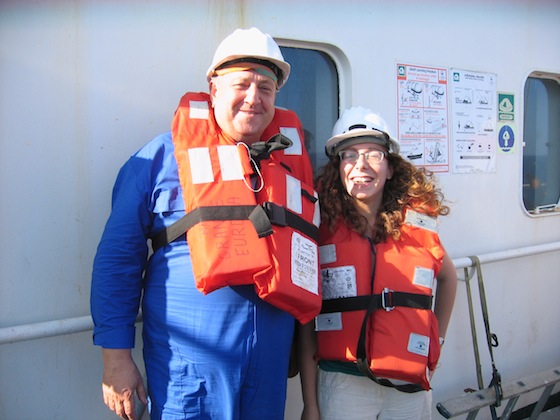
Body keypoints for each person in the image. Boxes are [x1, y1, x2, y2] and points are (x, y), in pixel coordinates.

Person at [91, 27, 320, 420]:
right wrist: (116, 359)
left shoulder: (289, 168)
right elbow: (117, 261)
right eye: (241, 84)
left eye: (265, 88)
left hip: (266, 371)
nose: (254, 97)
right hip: (188, 372)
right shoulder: (161, 158)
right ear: (213, 88)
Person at [299, 107, 458, 420]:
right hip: (343, 383)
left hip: (408, 387)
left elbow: (449, 278)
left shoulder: (416, 226)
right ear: (338, 167)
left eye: (373, 154)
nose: (361, 165)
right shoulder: (319, 230)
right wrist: (310, 404)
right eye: (349, 155)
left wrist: (435, 342)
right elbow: (305, 323)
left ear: (390, 168)